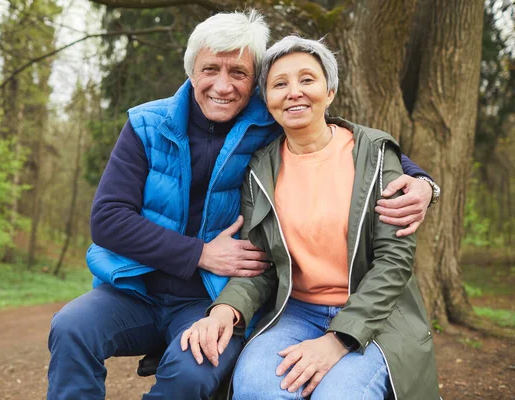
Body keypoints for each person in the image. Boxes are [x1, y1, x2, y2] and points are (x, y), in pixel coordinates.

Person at [47, 11, 438, 400]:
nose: (222, 85)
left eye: (238, 73)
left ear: (254, 84)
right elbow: (107, 220)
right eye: (209, 69)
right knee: (70, 328)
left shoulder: (269, 124)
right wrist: (200, 253)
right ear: (191, 71)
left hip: (209, 297)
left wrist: (422, 181)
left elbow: (339, 135)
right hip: (136, 288)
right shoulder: (147, 125)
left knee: (192, 371)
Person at [181, 36, 440, 399]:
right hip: (296, 312)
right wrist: (226, 309)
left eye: (307, 79)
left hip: (376, 316)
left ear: (330, 91)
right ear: (267, 100)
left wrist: (337, 340)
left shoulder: (374, 154)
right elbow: (262, 263)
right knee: (257, 387)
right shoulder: (261, 169)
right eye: (280, 84)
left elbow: (393, 264)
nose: (294, 92)